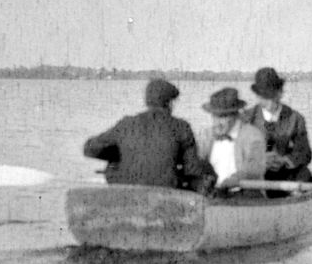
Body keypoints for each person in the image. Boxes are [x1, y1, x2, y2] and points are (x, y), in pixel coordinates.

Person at [83, 78, 215, 192]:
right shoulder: (181, 127)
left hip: (125, 187)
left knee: (114, 163)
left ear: (147, 101)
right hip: (166, 190)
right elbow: (193, 169)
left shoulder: (126, 124)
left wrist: (120, 153)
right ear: (170, 103)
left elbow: (90, 149)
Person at [241, 66, 312, 185]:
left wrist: (285, 160)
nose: (269, 102)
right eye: (264, 97)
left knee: (304, 175)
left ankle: (293, 198)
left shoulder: (295, 119)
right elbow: (236, 152)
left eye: (272, 95)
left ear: (280, 93)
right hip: (254, 176)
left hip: (284, 174)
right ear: (258, 96)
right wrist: (260, 161)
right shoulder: (246, 118)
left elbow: (305, 153)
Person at [196, 87, 266, 195]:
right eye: (215, 116)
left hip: (245, 194)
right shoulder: (206, 135)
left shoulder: (253, 136)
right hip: (211, 194)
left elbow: (254, 170)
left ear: (235, 115)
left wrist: (231, 181)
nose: (217, 123)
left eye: (223, 117)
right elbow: (196, 162)